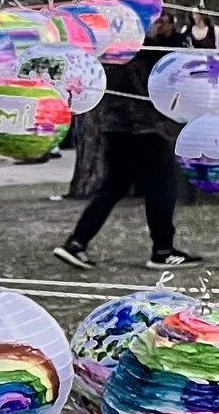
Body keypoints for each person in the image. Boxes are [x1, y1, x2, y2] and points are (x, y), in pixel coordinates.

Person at [56, 14, 201, 270]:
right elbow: (156, 80)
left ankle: (77, 242)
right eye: (162, 20)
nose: (166, 25)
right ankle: (163, 250)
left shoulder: (109, 48)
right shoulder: (140, 51)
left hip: (115, 127)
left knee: (114, 186)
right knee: (162, 186)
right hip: (144, 129)